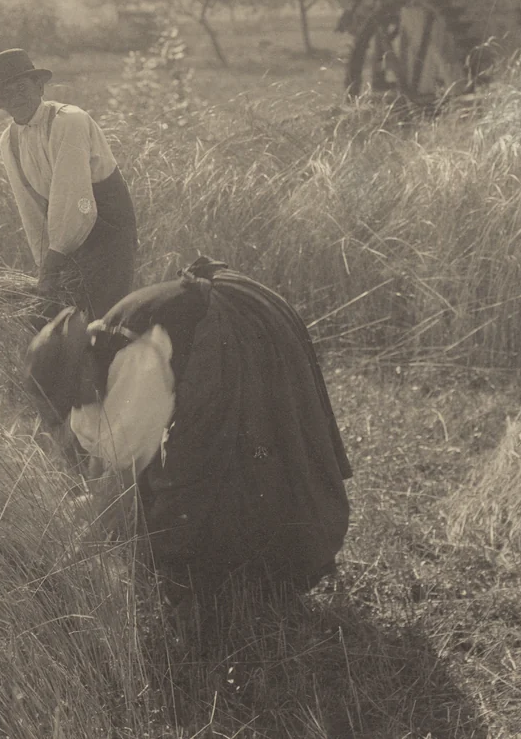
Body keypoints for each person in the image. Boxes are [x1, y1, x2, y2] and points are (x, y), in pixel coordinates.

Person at [23, 256, 352, 605]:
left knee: (238, 452)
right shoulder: (96, 348)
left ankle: (263, 578)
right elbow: (106, 456)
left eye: (74, 396)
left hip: (241, 324)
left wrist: (66, 566)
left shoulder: (134, 358)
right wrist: (93, 504)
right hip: (222, 313)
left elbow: (121, 484)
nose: (78, 405)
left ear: (81, 369)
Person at [0, 48, 138, 323]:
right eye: (6, 93)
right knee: (59, 319)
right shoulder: (9, 140)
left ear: (39, 86)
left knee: (102, 321)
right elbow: (30, 208)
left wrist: (53, 262)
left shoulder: (69, 121)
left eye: (22, 87)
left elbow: (74, 197)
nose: (15, 98)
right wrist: (44, 264)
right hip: (65, 230)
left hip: (107, 230)